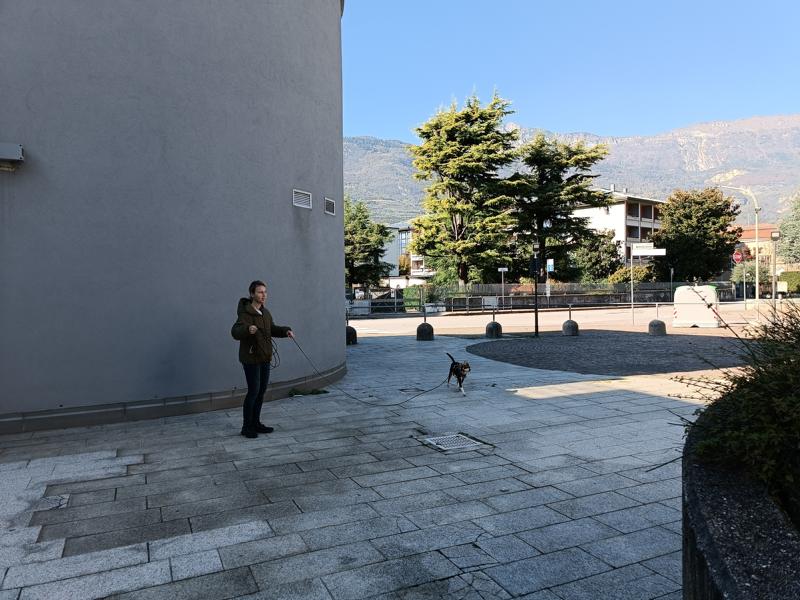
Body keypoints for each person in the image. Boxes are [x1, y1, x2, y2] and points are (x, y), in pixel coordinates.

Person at [231, 280, 293, 438]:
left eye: (265, 292)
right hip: (251, 358)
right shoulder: (245, 313)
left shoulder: (265, 313)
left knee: (261, 391)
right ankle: (246, 427)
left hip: (265, 357)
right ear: (252, 294)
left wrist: (286, 331)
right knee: (253, 391)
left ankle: (256, 423)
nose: (264, 295)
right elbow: (235, 332)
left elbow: (272, 329)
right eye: (260, 292)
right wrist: (248, 329)